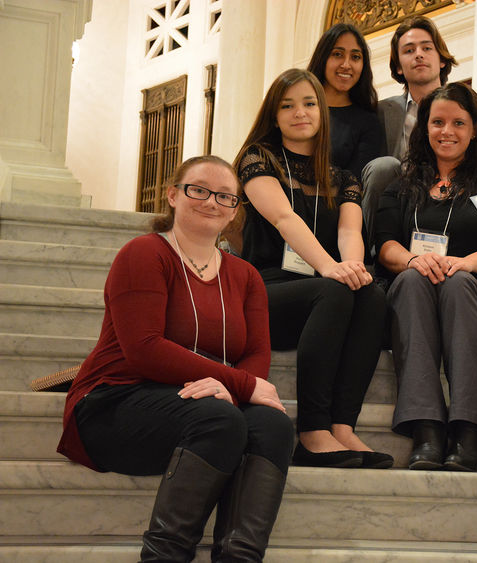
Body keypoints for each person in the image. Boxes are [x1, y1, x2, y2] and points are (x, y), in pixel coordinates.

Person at [57, 155, 295, 561]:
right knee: (218, 419)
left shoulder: (245, 276)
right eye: (198, 190)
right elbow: (144, 348)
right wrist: (239, 385)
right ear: (172, 195)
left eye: (225, 196)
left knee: (272, 424)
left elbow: (255, 351)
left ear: (236, 209)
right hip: (116, 400)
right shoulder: (144, 254)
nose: (211, 202)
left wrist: (230, 389)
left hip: (200, 405)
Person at [233, 68, 392, 469]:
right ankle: (312, 432)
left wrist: (352, 268)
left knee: (370, 296)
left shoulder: (343, 176)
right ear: (273, 114)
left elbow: (350, 228)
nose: (299, 112)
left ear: (322, 112)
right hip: (263, 290)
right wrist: (329, 269)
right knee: (336, 289)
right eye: (287, 106)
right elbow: (284, 218)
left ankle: (341, 426)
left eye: (307, 103)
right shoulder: (258, 159)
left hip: (322, 295)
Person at [375, 82, 477, 472]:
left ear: (475, 129)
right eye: (438, 122)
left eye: (458, 123)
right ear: (424, 127)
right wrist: (411, 261)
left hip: (474, 300)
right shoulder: (402, 185)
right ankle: (427, 429)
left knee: (457, 283)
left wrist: (466, 263)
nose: (447, 131)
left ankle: (470, 428)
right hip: (415, 300)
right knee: (409, 280)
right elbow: (385, 243)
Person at [362, 15, 477, 251]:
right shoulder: (381, 111)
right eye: (409, 50)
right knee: (383, 166)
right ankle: (372, 253)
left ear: (441, 59)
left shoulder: (475, 103)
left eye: (426, 48)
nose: (418, 54)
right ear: (398, 65)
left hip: (456, 195)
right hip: (402, 201)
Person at [307, 23, 384, 183]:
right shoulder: (297, 108)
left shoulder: (368, 122)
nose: (346, 65)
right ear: (323, 58)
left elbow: (353, 185)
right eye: (337, 54)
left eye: (355, 57)